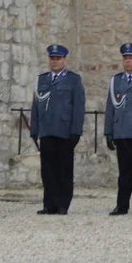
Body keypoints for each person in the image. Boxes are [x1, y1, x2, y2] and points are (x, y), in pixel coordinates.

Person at [30, 44, 85, 216]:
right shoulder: (42, 79)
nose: (55, 62)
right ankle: (49, 204)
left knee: (64, 170)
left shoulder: (73, 80)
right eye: (52, 58)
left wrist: (76, 131)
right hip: (46, 130)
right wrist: (34, 129)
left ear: (64, 60)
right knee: (48, 171)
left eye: (58, 58)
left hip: (64, 131)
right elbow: (36, 106)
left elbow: (78, 107)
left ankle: (63, 204)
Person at [105, 43, 132, 216]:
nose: (128, 61)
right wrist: (108, 132)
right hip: (122, 133)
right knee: (123, 173)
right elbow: (110, 107)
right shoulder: (116, 80)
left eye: (131, 58)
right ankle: (121, 205)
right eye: (125, 58)